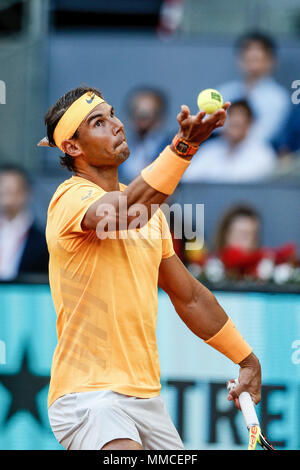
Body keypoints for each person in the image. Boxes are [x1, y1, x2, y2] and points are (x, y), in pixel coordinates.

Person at [39, 85, 261, 450]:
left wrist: (247, 359)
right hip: (90, 398)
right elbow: (125, 210)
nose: (117, 125)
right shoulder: (69, 199)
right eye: (99, 122)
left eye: (112, 114)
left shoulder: (151, 215)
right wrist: (184, 148)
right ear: (73, 147)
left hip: (147, 400)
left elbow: (188, 297)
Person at [218, 32, 291, 144]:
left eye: (257, 59)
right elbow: (207, 126)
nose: (253, 65)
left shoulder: (278, 98)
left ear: (270, 61)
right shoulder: (226, 91)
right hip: (220, 150)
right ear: (240, 60)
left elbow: (264, 134)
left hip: (256, 153)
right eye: (248, 59)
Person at [182, 100, 276, 183]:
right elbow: (187, 179)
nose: (233, 127)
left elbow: (241, 184)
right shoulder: (210, 149)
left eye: (238, 124)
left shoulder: (263, 154)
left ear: (249, 125)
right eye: (231, 122)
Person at [0, 164, 49, 281]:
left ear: (26, 193)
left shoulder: (42, 242)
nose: (7, 194)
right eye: (3, 189)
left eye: (12, 190)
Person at [119, 87, 172, 183]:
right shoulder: (119, 152)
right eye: (134, 111)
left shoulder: (172, 149)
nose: (141, 121)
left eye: (146, 115)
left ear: (160, 118)